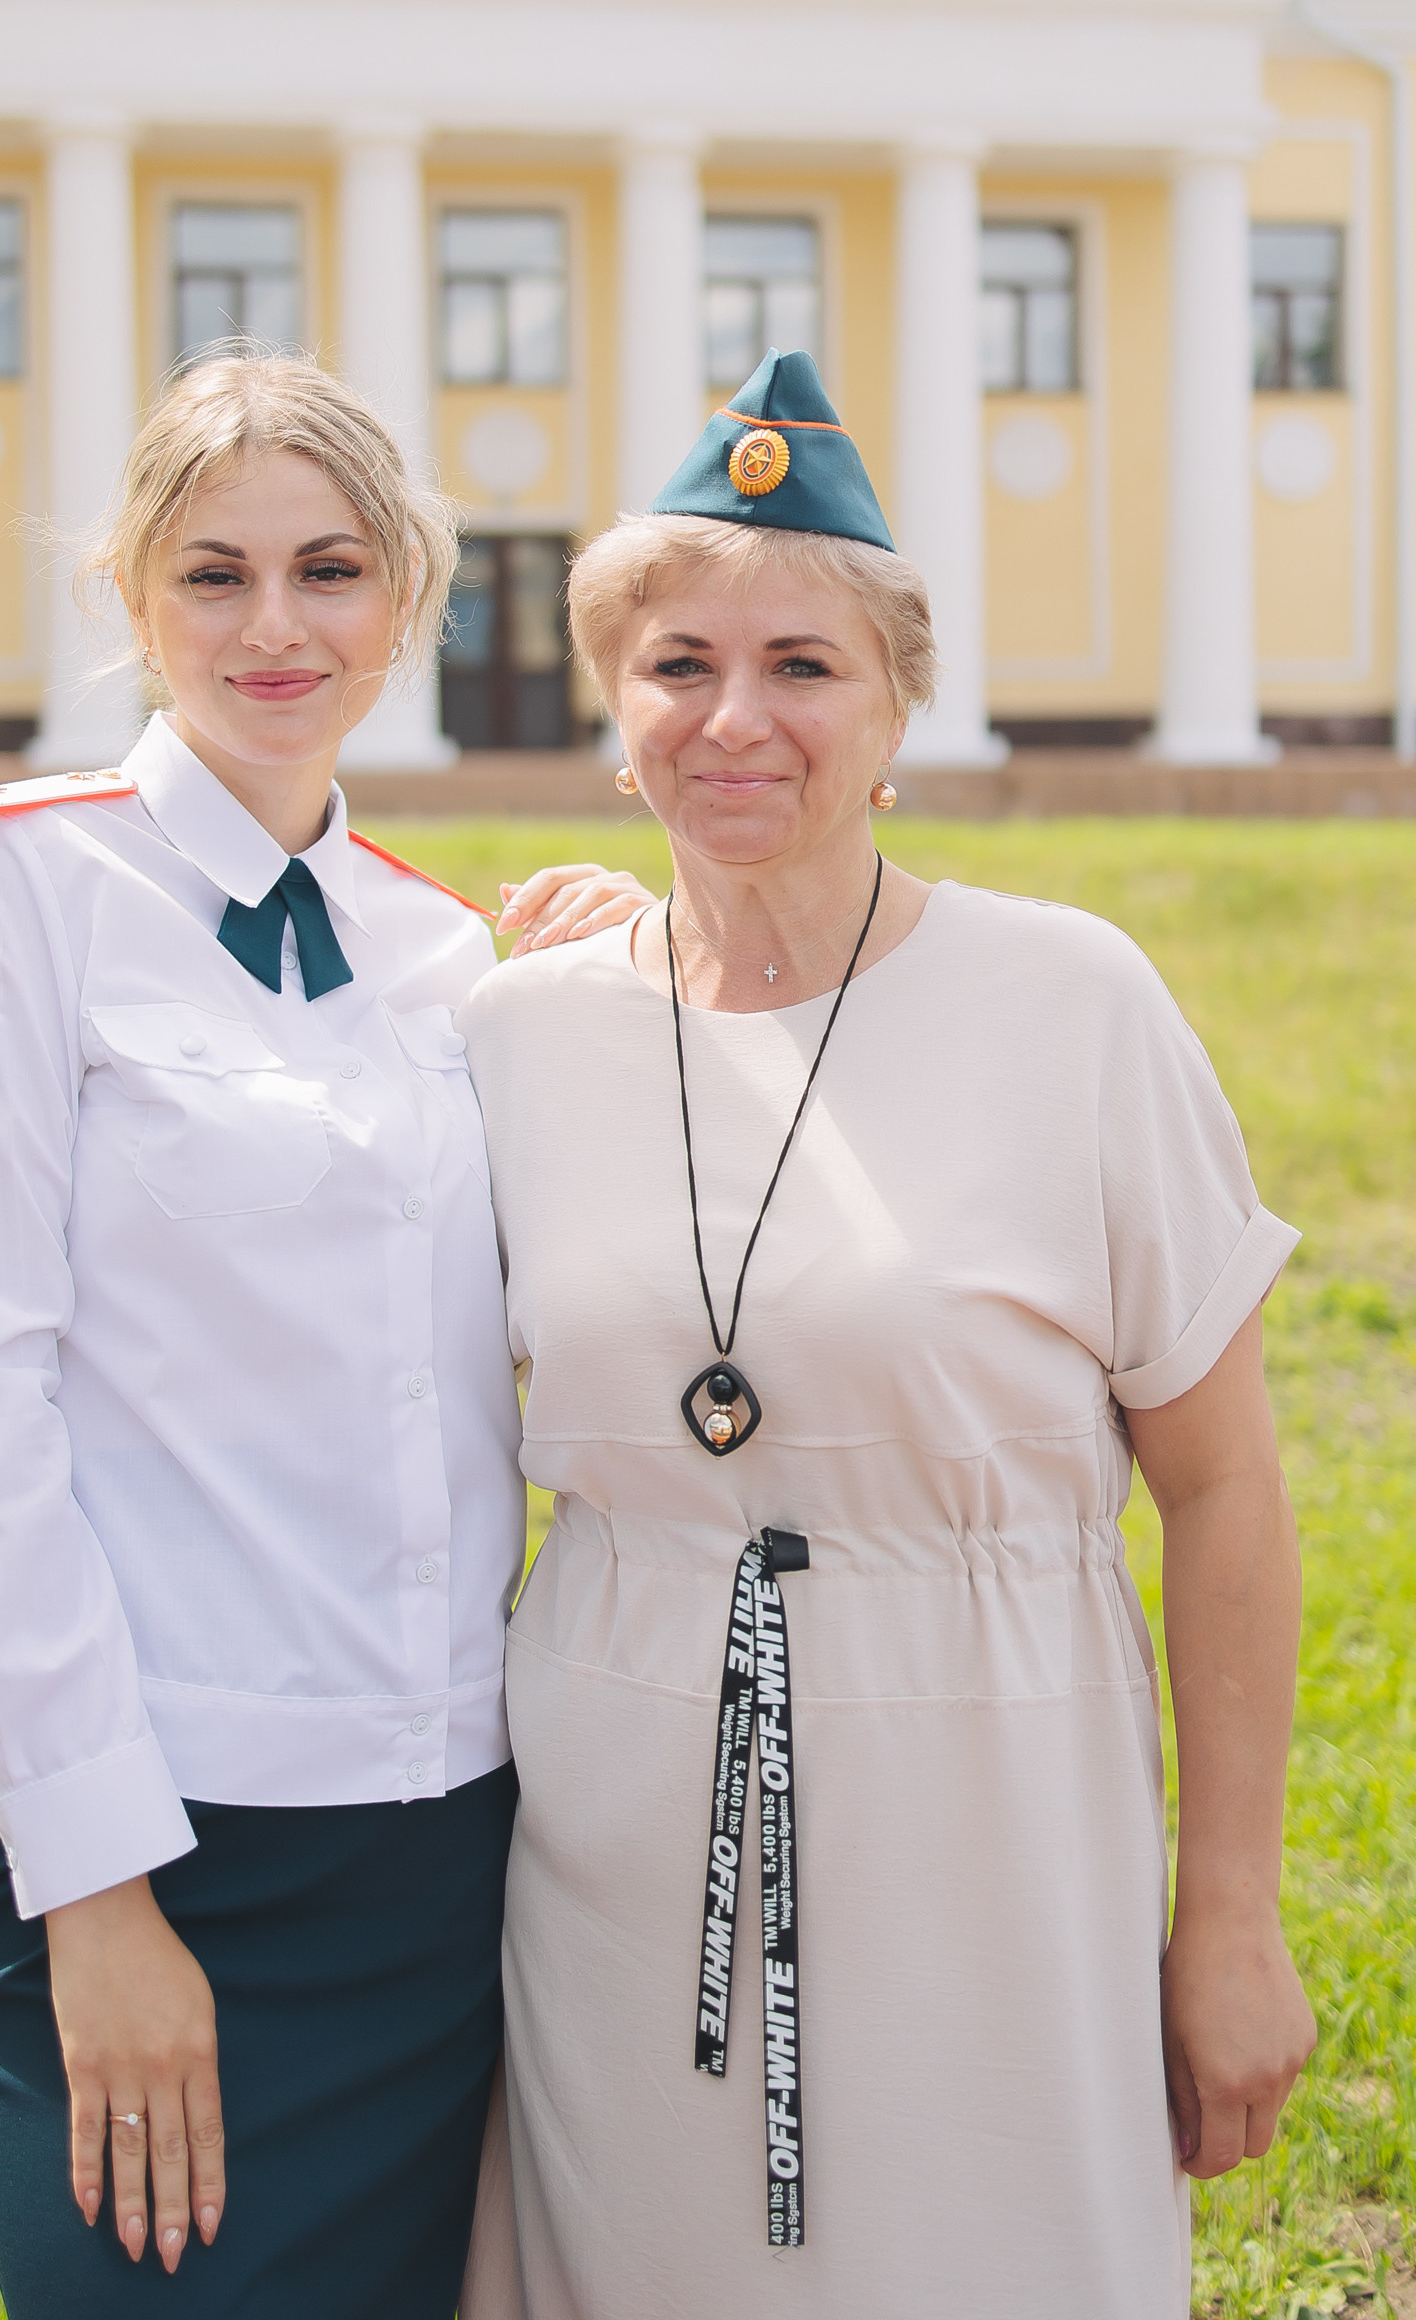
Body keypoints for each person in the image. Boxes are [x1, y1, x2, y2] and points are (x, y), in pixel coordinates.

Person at [456, 350, 1318, 2319]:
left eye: (803, 666)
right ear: (613, 714)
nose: (734, 716)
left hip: (994, 1807)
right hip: (614, 1815)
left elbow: (1224, 1490)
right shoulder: (511, 1035)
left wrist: (1228, 1911)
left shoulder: (1074, 1004)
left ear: (898, 706)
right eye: (678, 665)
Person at [0, 350, 648, 2318]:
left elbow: (537, 1330)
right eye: (214, 574)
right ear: (134, 600)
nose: (275, 625)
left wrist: (629, 997)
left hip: (425, 1825)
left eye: (329, 569)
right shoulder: (13, 895)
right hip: (124, 1807)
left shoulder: (440, 948)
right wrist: (97, 1891)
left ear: (407, 599)